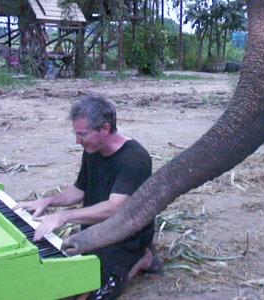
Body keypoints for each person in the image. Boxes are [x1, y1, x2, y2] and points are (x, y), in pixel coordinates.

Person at [14, 96, 158, 300]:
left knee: (95, 297)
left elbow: (114, 208)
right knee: (68, 285)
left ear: (105, 129)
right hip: (95, 233)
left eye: (82, 134)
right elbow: (79, 190)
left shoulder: (134, 158)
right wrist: (47, 202)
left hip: (125, 236)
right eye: (76, 134)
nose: (77, 141)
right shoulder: (92, 149)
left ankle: (142, 257)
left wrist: (63, 217)